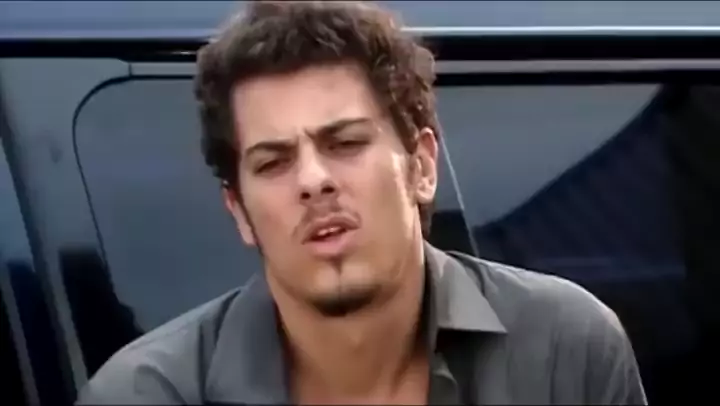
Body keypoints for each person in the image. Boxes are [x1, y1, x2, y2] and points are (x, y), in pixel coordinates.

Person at [76, 1, 647, 404]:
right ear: (239, 211)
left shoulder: (565, 351)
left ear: (422, 166)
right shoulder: (143, 395)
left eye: (345, 143)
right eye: (273, 162)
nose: (313, 181)